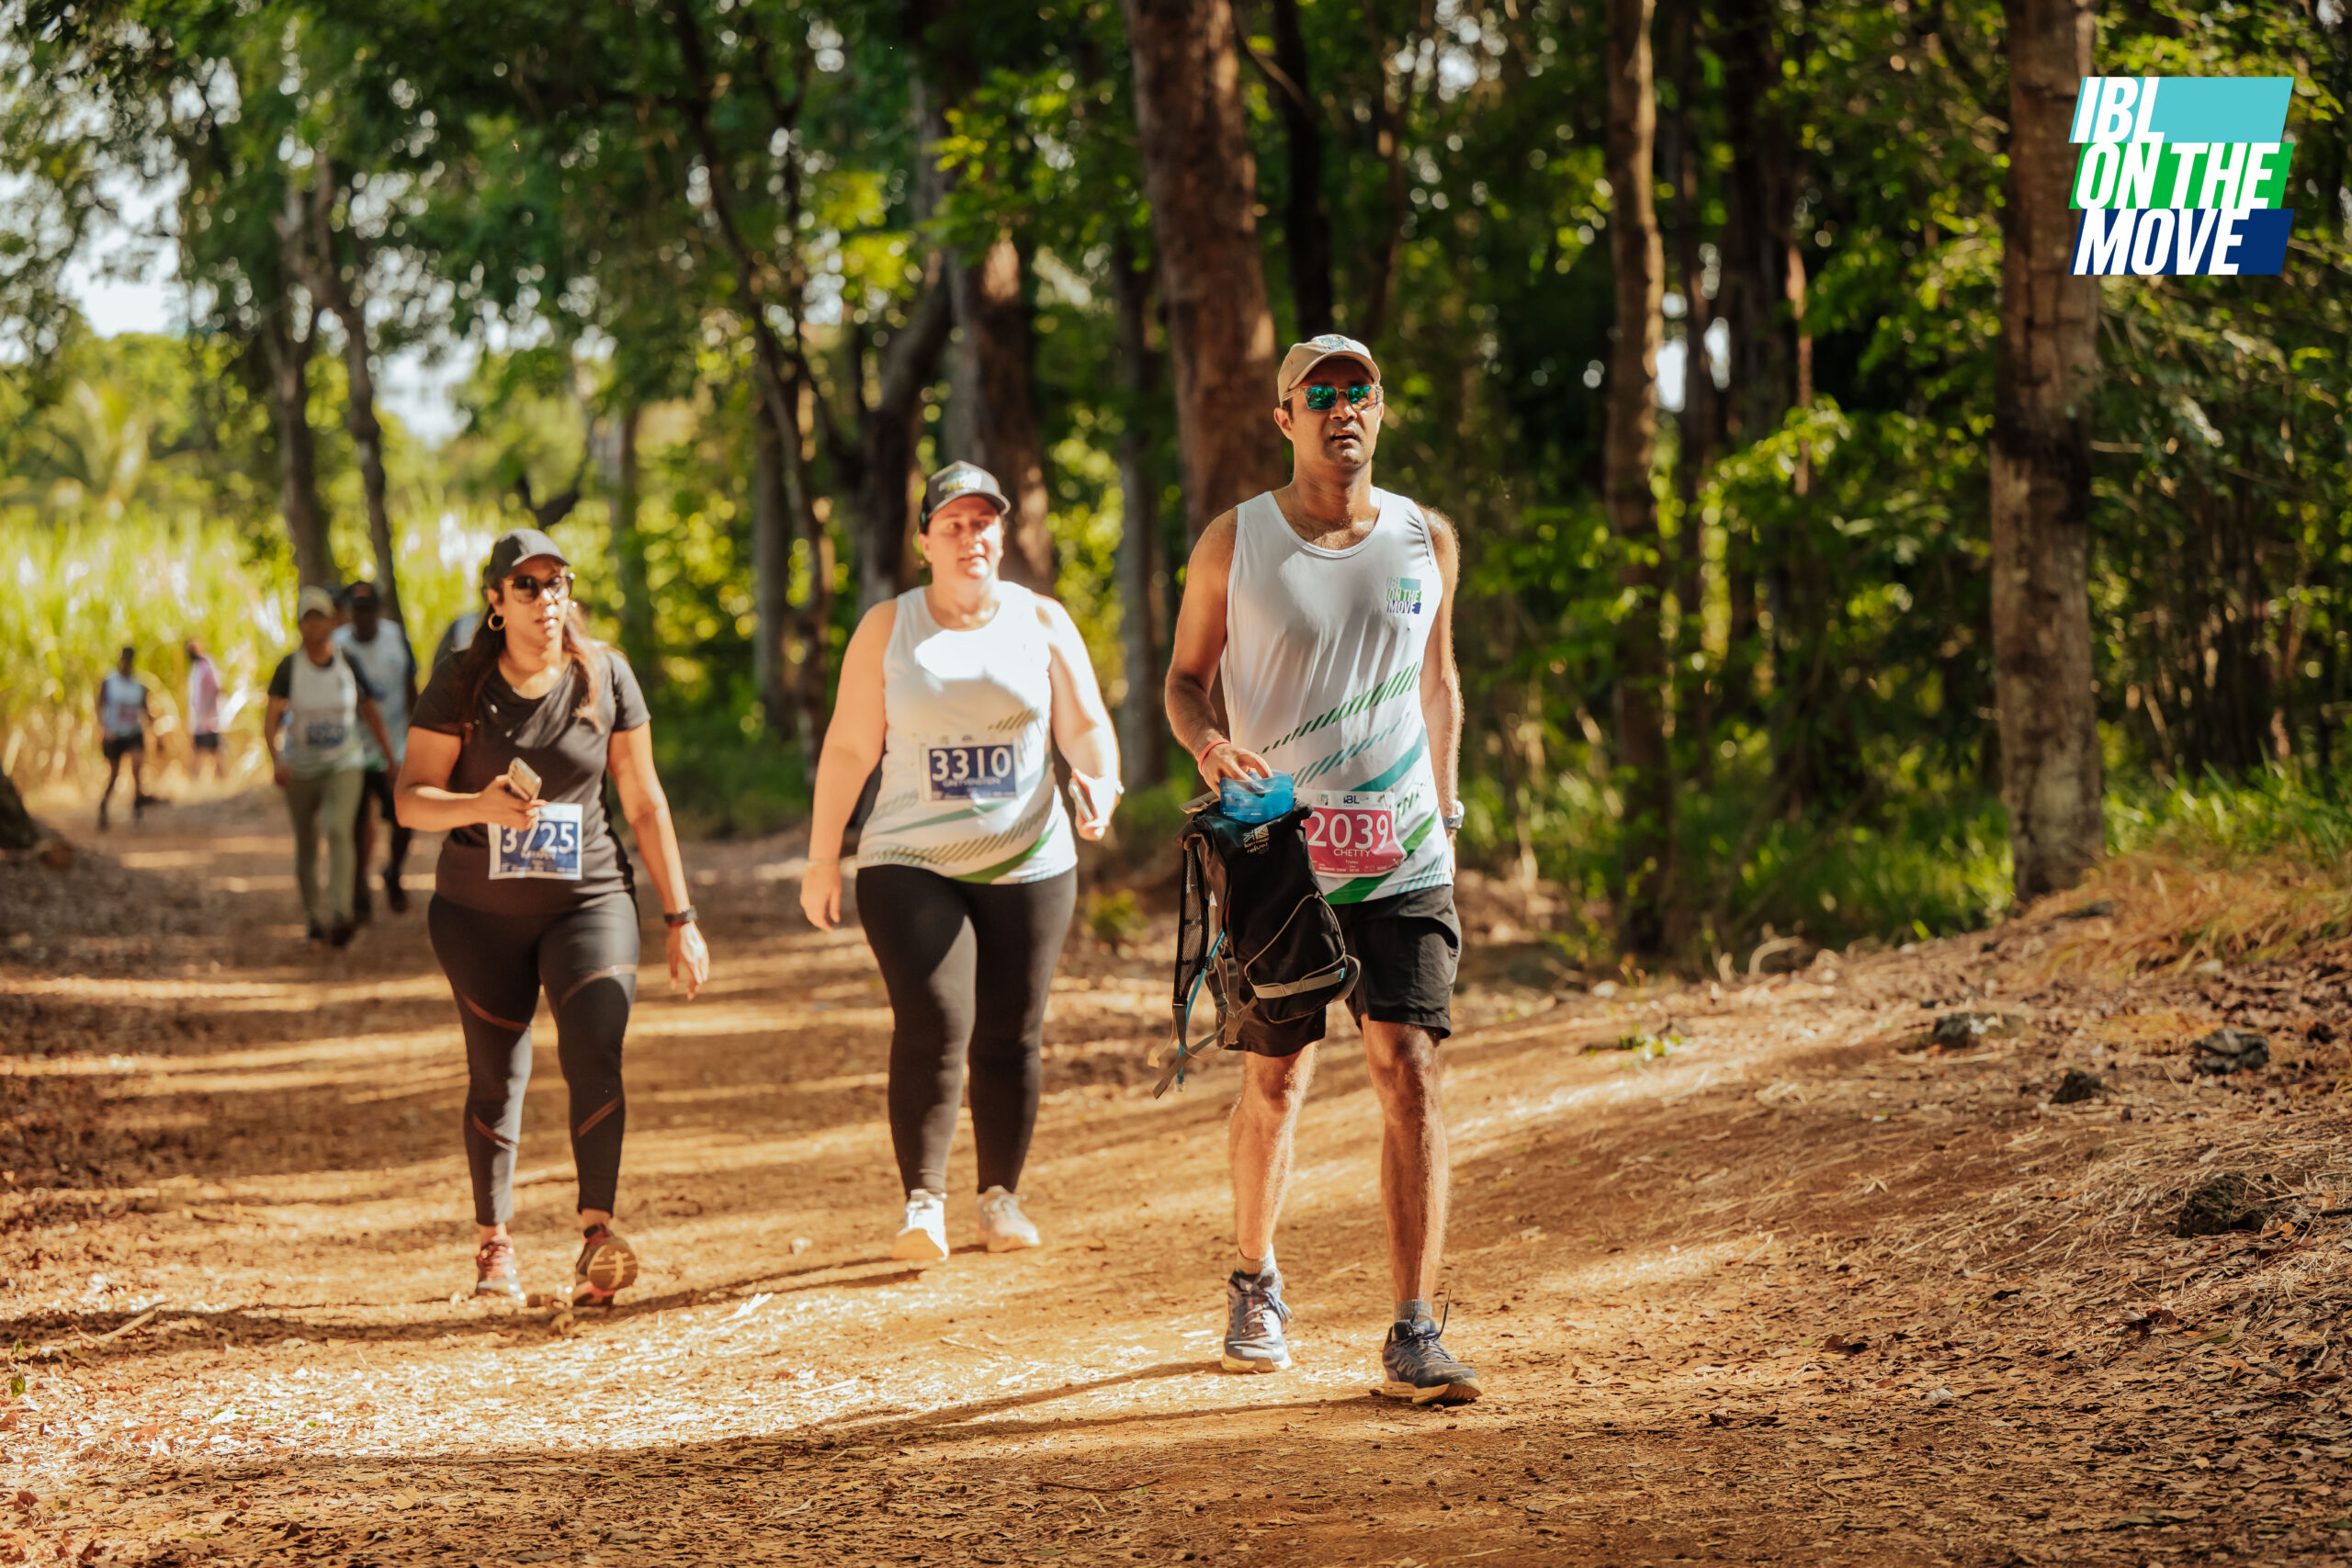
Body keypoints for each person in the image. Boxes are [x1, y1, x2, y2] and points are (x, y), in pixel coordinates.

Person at [1162, 334, 1478, 1405]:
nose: (1343, 408)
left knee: (1410, 1068)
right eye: (1321, 393)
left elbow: (1438, 683)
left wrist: (1447, 810)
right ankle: (1254, 1278)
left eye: (1360, 392)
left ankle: (1415, 1328)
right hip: (1280, 858)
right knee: (1278, 1078)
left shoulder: (1425, 537)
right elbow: (1183, 681)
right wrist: (1210, 747)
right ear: (1285, 416)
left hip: (1402, 848)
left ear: (1379, 410)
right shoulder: (1235, 540)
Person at [799, 461, 1121, 1263]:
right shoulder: (889, 627)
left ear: (1001, 534)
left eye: (983, 522)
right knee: (937, 1019)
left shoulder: (1042, 620)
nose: (970, 537)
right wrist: (821, 856)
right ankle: (924, 1202)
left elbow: (1085, 724)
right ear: (925, 541)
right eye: (953, 524)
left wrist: (1101, 783)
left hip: (1031, 856)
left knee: (1012, 1032)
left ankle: (999, 1197)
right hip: (910, 855)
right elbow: (849, 746)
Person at [396, 528, 709, 1307]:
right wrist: (478, 805)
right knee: (496, 1073)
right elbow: (410, 800)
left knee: (596, 1045)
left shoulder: (605, 675)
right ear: (496, 602)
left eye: (557, 583)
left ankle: (597, 1235)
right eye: (527, 586)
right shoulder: (461, 683)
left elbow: (643, 799)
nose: (546, 599)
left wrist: (681, 915)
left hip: (588, 902)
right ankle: (493, 1240)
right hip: (479, 914)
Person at [266, 588, 393, 948]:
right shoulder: (289, 668)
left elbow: (370, 711)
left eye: (320, 617)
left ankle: (342, 913)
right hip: (301, 768)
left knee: (339, 830)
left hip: (343, 763)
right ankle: (313, 918)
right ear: (299, 625)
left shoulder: (346, 661)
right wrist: (277, 760)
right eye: (307, 619)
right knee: (306, 842)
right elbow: (271, 719)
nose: (314, 626)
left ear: (332, 621)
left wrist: (390, 757)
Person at [334, 581, 420, 917]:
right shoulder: (339, 645)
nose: (363, 617)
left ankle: (393, 872)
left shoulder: (395, 638)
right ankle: (359, 887)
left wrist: (416, 737)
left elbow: (411, 687)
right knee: (356, 823)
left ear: (377, 611)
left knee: (404, 817)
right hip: (353, 750)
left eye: (368, 610)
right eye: (357, 610)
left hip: (395, 748)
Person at [96, 646, 153, 829]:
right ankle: (104, 804)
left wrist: (156, 733)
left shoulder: (138, 685)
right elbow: (99, 707)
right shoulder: (110, 682)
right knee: (114, 775)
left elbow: (145, 709)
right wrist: (104, 729)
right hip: (114, 734)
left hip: (134, 732)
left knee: (137, 769)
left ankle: (137, 805)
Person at [185, 637, 226, 781]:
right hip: (199, 721)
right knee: (199, 754)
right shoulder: (195, 668)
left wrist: (206, 711)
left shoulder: (206, 665)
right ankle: (194, 785)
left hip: (209, 721)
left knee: (215, 753)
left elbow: (217, 688)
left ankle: (223, 783)